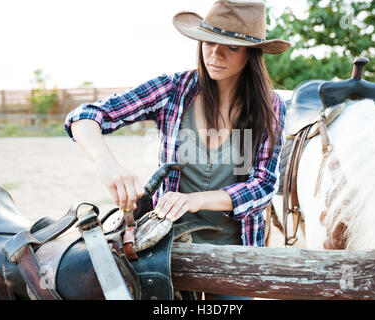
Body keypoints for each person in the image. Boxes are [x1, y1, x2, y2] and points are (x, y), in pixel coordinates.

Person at [64, 0, 290, 299]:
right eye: (208, 41)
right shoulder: (173, 89)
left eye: (231, 47)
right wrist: (106, 163)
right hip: (167, 249)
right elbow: (84, 116)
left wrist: (194, 200)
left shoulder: (269, 106)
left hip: (237, 252)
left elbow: (262, 186)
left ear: (251, 54)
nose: (215, 53)